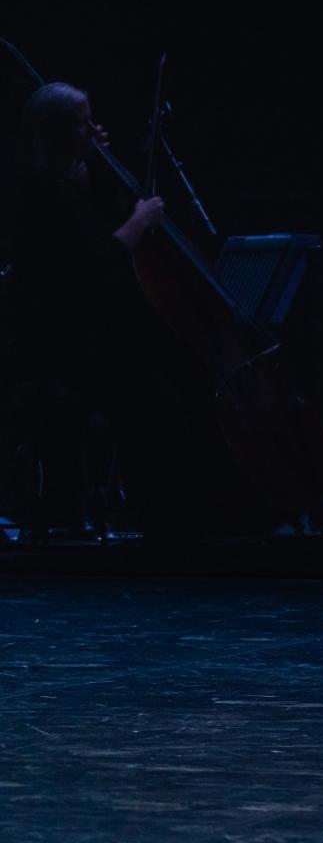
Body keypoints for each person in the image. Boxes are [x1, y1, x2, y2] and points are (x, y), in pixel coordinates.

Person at [7, 82, 167, 532]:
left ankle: (147, 508)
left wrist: (98, 168)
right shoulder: (44, 190)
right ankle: (151, 511)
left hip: (83, 336)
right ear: (57, 133)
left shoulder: (72, 177)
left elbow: (105, 223)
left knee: (148, 384)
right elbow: (99, 260)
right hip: (60, 346)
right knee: (147, 396)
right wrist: (142, 219)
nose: (95, 129)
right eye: (83, 123)